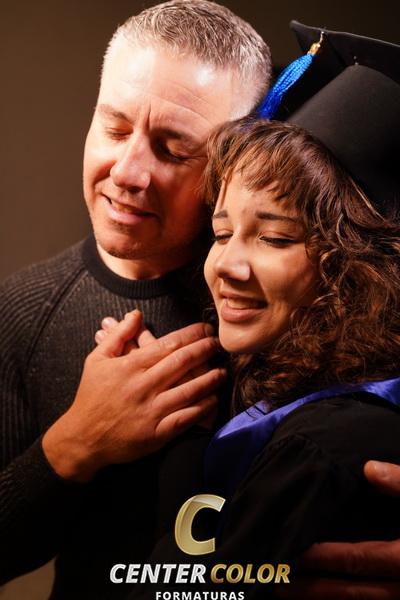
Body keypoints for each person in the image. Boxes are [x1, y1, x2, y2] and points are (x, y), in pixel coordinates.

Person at [100, 22, 400, 599]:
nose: (226, 266)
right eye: (221, 233)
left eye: (276, 238)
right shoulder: (292, 402)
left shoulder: (320, 452)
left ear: (357, 266)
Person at [0, 1, 271, 598]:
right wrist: (77, 442)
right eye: (116, 129)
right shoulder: (22, 311)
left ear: (232, 161)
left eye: (173, 150)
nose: (128, 171)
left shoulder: (281, 307)